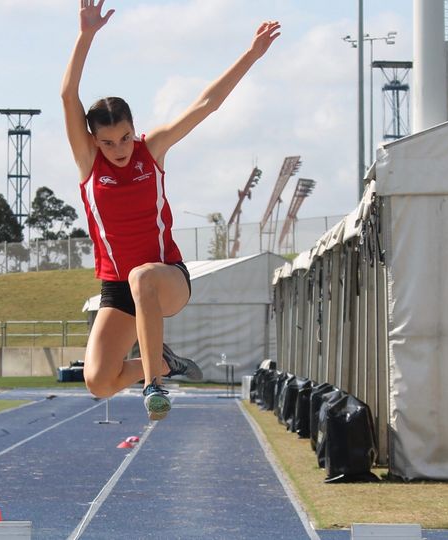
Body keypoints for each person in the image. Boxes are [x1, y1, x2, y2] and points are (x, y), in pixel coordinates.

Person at [61, 0, 281, 420]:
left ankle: (153, 385)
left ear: (133, 128)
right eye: (108, 142)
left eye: (125, 138)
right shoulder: (90, 164)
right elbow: (68, 94)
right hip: (118, 288)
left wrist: (251, 55)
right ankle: (163, 363)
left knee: (143, 274)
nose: (120, 150)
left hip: (166, 278)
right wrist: (86, 35)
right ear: (94, 141)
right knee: (98, 382)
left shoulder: (152, 149)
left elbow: (206, 104)